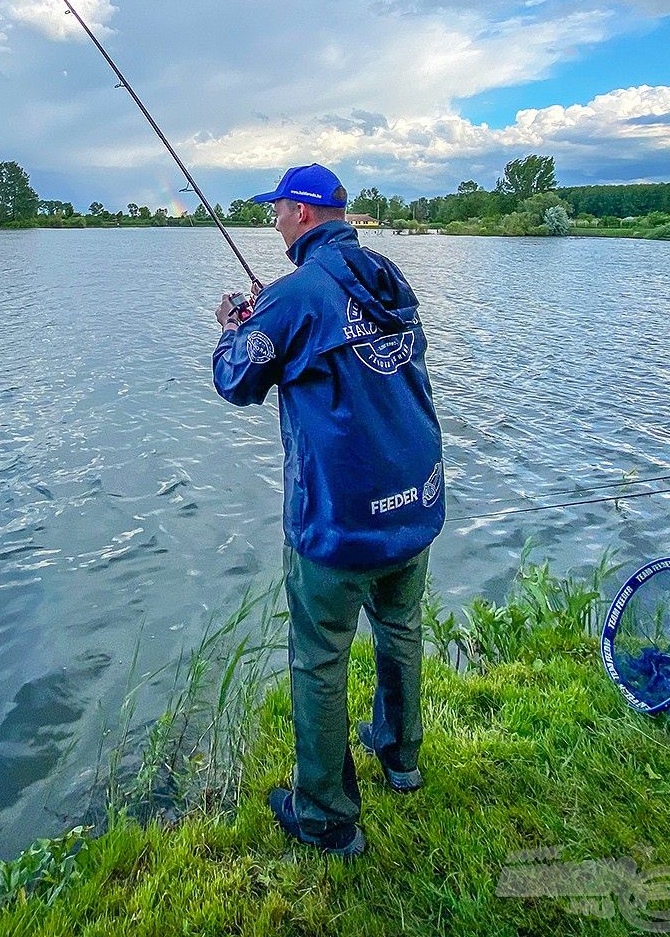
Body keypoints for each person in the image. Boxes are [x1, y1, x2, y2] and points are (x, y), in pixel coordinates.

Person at [212, 163, 445, 860]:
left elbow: (237, 381)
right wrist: (275, 315)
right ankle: (400, 758)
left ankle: (325, 816)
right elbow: (331, 334)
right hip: (416, 495)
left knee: (319, 661)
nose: (273, 222)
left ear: (305, 213)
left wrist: (233, 327)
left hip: (340, 519)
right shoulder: (384, 274)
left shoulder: (298, 293)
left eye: (277, 211)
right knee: (400, 628)